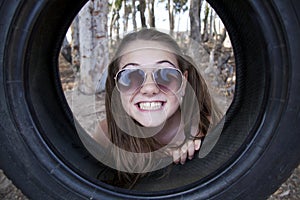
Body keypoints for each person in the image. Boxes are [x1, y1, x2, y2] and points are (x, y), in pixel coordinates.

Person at [91, 28, 222, 188]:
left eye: (165, 75)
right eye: (131, 76)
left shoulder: (212, 130)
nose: (149, 88)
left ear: (183, 82)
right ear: (117, 86)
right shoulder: (107, 135)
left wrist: (196, 159)